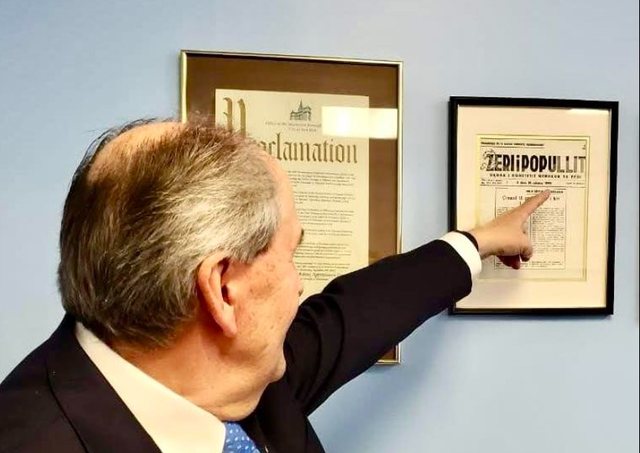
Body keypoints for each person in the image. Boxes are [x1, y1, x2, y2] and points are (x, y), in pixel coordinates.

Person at [0, 118, 549, 453]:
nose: (299, 283)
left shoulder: (235, 376)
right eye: (290, 255)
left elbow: (357, 314)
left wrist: (477, 242)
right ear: (224, 290)